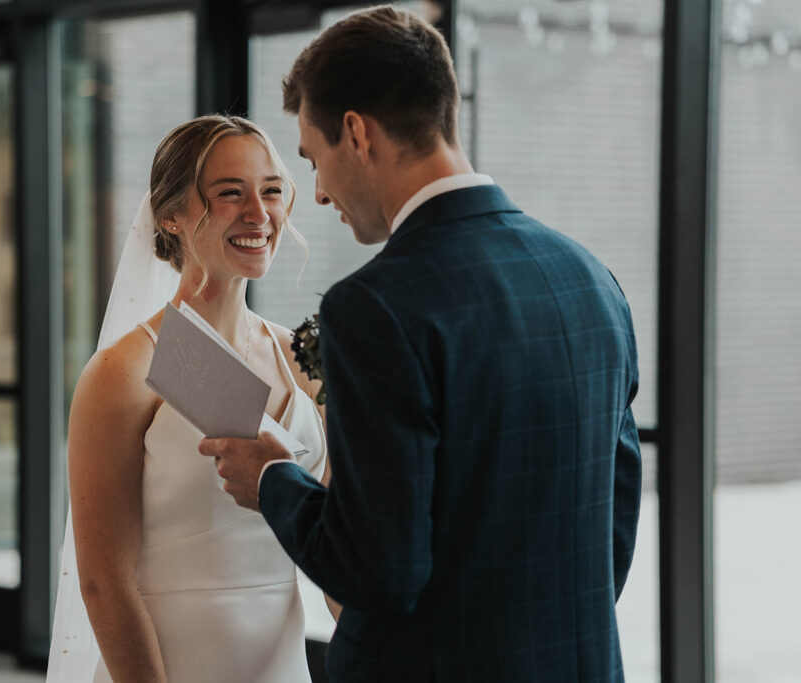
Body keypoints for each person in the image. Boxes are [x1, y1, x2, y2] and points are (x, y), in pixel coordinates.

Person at [201, 6, 642, 682]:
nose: (316, 193)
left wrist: (271, 477)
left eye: (313, 161)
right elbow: (611, 529)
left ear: (357, 133)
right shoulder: (590, 278)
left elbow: (379, 569)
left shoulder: (375, 305)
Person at [46, 115, 329, 683]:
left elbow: (340, 536)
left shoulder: (304, 358)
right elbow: (104, 582)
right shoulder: (124, 371)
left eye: (271, 189)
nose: (259, 213)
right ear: (171, 215)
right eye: (230, 193)